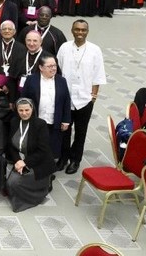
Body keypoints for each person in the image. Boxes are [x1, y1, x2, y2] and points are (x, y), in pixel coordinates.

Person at [56, 19, 106, 174]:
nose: (80, 32)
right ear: (72, 30)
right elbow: (58, 70)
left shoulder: (95, 50)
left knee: (81, 132)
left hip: (85, 99)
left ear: (87, 32)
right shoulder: (64, 48)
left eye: (83, 30)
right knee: (64, 130)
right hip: (66, 98)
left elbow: (98, 74)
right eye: (77, 29)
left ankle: (75, 160)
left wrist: (93, 97)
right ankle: (63, 158)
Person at [4, 98, 56, 212]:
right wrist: (18, 160)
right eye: (21, 110)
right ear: (17, 110)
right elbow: (10, 146)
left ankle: (41, 188)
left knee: (15, 183)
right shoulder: (14, 121)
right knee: (9, 184)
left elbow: (43, 151)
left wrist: (25, 162)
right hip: (21, 160)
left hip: (39, 163)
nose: (24, 113)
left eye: (27, 110)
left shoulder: (40, 124)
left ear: (32, 109)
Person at [20, 53, 72, 158]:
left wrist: (66, 120)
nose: (53, 68)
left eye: (55, 65)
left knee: (52, 146)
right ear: (41, 67)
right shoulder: (31, 80)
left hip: (54, 120)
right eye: (50, 66)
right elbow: (24, 99)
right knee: (35, 145)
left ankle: (49, 165)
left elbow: (66, 101)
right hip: (36, 119)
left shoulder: (61, 80)